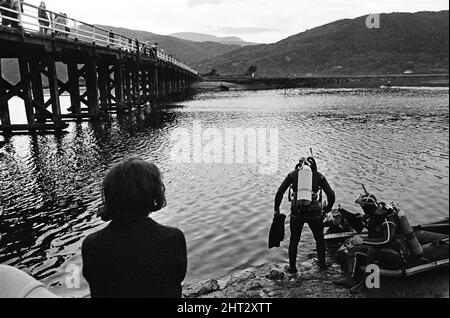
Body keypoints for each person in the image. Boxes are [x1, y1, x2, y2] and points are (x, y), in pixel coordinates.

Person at [82, 157, 187, 298]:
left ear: (110, 196)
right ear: (153, 194)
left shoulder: (91, 244)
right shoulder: (172, 238)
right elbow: (178, 276)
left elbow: (95, 281)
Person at [333, 193, 406, 294]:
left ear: (368, 207)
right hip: (380, 248)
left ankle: (367, 284)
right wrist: (342, 211)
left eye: (363, 207)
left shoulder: (387, 219)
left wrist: (363, 241)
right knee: (352, 250)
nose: (362, 210)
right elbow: (358, 222)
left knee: (372, 252)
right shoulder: (373, 216)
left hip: (394, 252)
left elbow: (386, 240)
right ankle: (351, 279)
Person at [274, 156, 335, 274]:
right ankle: (322, 266)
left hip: (297, 213)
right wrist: (326, 210)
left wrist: (276, 210)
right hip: (315, 213)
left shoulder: (292, 175)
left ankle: (292, 268)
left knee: (294, 240)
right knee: (319, 240)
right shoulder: (318, 176)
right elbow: (331, 195)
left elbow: (279, 193)